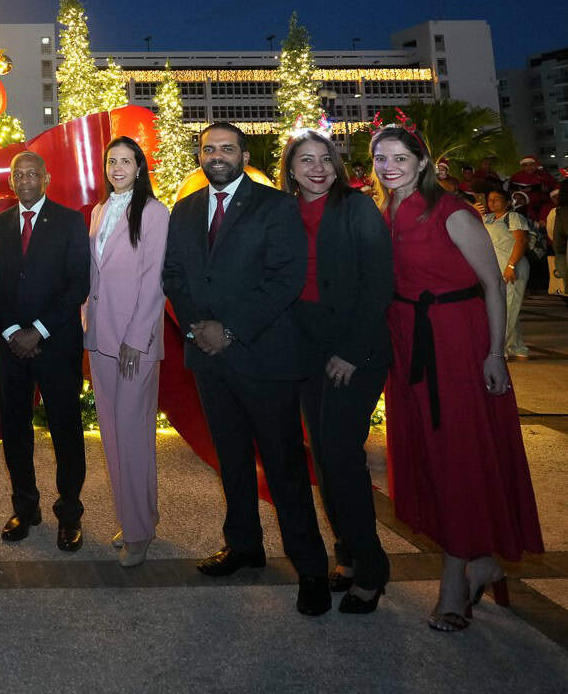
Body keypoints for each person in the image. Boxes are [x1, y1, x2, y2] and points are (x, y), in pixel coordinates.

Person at [372, 122, 543, 631]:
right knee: (426, 453)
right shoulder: (385, 212)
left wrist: (494, 352)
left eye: (400, 157)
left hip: (455, 343)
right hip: (407, 345)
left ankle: (457, 580)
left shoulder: (452, 211)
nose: (389, 166)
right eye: (381, 158)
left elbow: (493, 284)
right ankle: (484, 561)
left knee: (457, 456)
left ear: (422, 162)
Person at [162, 122, 331, 616]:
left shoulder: (275, 204)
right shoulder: (187, 208)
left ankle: (311, 568)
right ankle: (244, 545)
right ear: (200, 155)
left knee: (283, 467)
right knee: (230, 460)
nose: (217, 156)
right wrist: (198, 326)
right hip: (208, 359)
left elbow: (286, 278)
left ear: (244, 154)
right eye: (209, 148)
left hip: (263, 357)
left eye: (227, 149)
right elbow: (173, 274)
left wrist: (229, 329)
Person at [280, 129, 393, 613]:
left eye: (324, 158)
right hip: (306, 350)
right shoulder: (283, 212)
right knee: (323, 456)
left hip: (355, 351)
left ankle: (371, 567)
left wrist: (351, 349)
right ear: (291, 168)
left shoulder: (357, 208)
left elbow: (379, 282)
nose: (317, 168)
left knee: (343, 455)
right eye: (306, 160)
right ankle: (346, 552)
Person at [0, 151, 91, 552]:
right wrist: (13, 330)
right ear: (11, 181)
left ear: (46, 178)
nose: (26, 179)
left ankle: (69, 514)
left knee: (65, 430)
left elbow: (78, 282)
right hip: (12, 345)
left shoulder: (69, 221)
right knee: (15, 430)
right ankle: (25, 507)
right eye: (19, 174)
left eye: (33, 173)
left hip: (57, 343)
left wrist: (39, 330)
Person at [84, 136, 168, 568]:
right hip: (100, 339)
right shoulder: (100, 210)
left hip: (134, 343)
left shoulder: (154, 213)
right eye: (111, 161)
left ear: (140, 167)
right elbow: (94, 274)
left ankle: (138, 533)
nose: (117, 167)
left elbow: (155, 281)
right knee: (114, 438)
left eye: (125, 161)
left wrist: (138, 337)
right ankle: (136, 518)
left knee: (134, 438)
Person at [482, 188, 530, 361]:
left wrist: (511, 265)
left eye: (496, 199)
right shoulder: (486, 218)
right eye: (490, 199)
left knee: (508, 308)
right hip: (495, 270)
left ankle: (500, 349)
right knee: (506, 308)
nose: (492, 202)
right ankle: (518, 347)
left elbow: (522, 241)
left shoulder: (513, 217)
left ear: (508, 202)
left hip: (512, 268)